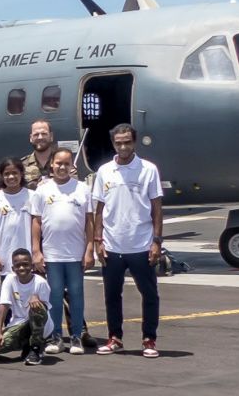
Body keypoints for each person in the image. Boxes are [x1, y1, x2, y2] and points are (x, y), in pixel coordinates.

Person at [91, 123, 164, 358]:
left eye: (127, 142)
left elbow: (157, 208)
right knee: (112, 295)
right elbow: (99, 209)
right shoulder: (104, 171)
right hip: (112, 245)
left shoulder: (149, 169)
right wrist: (98, 240)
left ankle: (149, 339)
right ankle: (115, 338)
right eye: (118, 142)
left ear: (134, 142)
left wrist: (156, 241)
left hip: (141, 244)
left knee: (149, 294)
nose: (123, 146)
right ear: (113, 143)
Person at [32, 148, 94, 355]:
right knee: (55, 297)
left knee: (76, 295)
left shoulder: (82, 189)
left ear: (72, 166)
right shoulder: (42, 190)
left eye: (66, 164)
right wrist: (36, 251)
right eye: (58, 163)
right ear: (52, 164)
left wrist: (89, 249)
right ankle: (56, 337)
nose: (62, 167)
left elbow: (89, 222)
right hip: (52, 254)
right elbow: (36, 222)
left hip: (75, 254)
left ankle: (76, 337)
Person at [0, 248, 51, 365]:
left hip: (41, 325)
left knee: (36, 308)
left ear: (32, 266)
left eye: (25, 265)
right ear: (13, 268)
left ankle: (36, 349)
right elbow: (4, 304)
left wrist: (38, 301)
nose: (21, 268)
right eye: (18, 265)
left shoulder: (40, 282)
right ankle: (27, 346)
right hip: (20, 324)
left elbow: (44, 310)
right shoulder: (9, 280)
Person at [0, 158, 37, 275]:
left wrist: (36, 252)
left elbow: (37, 227)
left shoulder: (32, 196)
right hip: (6, 260)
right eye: (7, 174)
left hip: (29, 258)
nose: (11, 177)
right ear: (1, 176)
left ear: (21, 174)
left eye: (14, 173)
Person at [21, 119, 55, 190]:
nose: (40, 137)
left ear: (51, 136)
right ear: (31, 138)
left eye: (44, 134)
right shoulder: (21, 165)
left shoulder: (62, 162)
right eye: (36, 134)